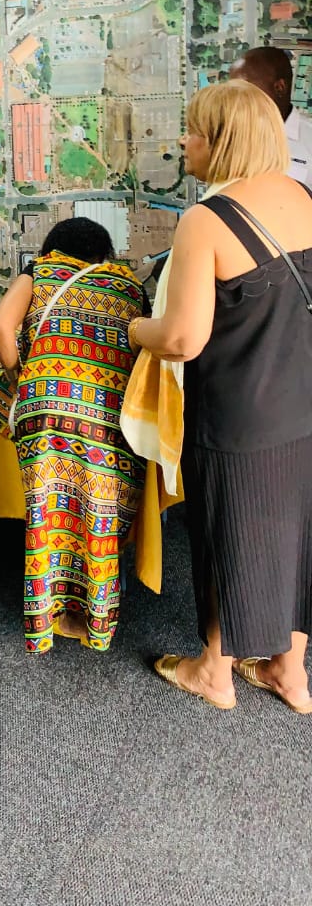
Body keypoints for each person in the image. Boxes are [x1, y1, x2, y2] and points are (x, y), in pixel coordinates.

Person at [128, 80, 312, 713]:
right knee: (299, 532)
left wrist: (135, 328)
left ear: (221, 140)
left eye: (193, 130)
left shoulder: (207, 220)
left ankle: (214, 671)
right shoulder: (304, 197)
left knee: (228, 530)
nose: (184, 141)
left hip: (238, 411)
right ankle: (290, 672)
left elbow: (182, 338)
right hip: (302, 401)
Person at [0, 218, 147, 654]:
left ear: (53, 247)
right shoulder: (129, 286)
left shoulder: (39, 272)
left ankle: (47, 617)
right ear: (104, 253)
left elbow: (1, 325)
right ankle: (93, 619)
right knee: (100, 514)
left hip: (44, 410)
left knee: (48, 511)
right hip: (109, 417)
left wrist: (19, 376)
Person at [230, 45, 312, 183]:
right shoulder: (232, 138)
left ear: (279, 88)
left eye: (245, 90)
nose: (236, 99)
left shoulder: (309, 140)